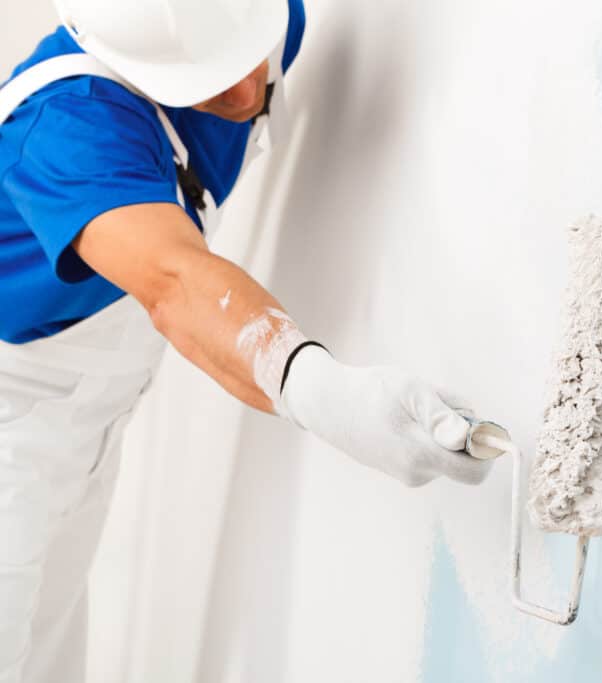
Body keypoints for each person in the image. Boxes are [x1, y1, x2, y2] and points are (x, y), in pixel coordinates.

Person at [0, 1, 492, 680]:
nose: (241, 95)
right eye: (202, 81)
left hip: (90, 426)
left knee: (48, 654)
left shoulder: (251, 16)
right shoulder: (67, 128)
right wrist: (320, 389)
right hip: (15, 417)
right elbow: (175, 282)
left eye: (244, 60)